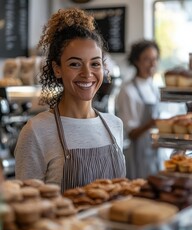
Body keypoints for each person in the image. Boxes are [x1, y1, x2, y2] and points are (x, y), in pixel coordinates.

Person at [14, 8, 126, 192]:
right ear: (57, 69)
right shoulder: (36, 131)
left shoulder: (115, 125)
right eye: (75, 64)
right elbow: (28, 207)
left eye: (95, 64)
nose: (87, 73)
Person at [116, 39, 166, 179]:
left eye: (155, 59)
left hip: (156, 150)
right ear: (136, 61)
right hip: (138, 153)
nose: (153, 64)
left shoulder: (153, 86)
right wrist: (151, 124)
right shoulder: (127, 90)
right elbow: (131, 134)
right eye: (147, 59)